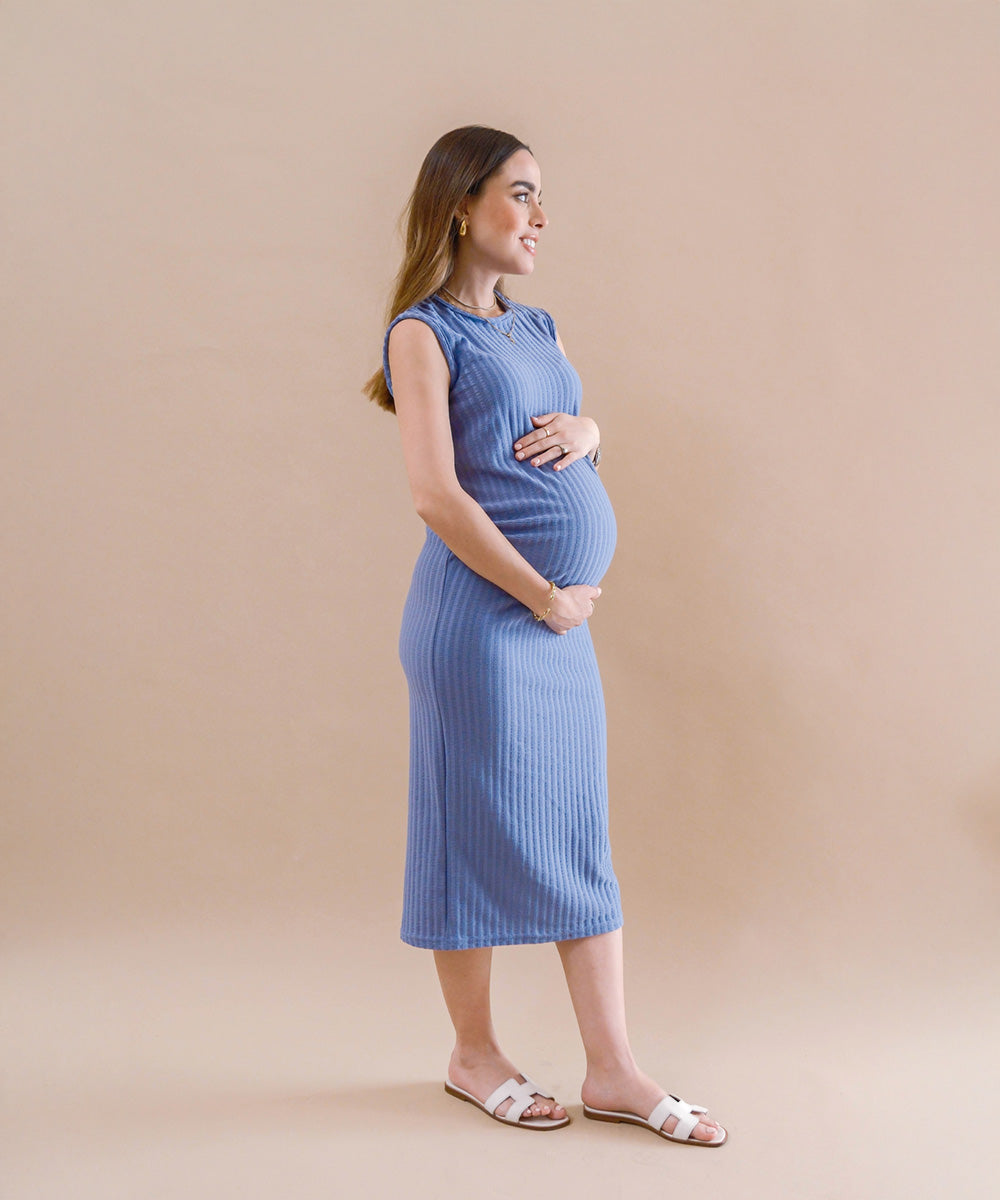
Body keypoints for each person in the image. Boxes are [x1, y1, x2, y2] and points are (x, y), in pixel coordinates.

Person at [364, 125, 727, 1146]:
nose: (539, 216)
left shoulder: (541, 326)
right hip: (480, 624)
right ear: (458, 207)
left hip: (554, 628)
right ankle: (473, 1055)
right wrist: (540, 593)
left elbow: (569, 417)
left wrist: (593, 431)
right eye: (519, 195)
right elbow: (435, 493)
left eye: (539, 197)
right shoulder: (421, 334)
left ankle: (612, 1067)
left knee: (577, 833)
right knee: (468, 830)